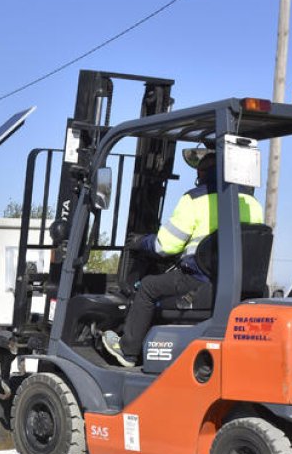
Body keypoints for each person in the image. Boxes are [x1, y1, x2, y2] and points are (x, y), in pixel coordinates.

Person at [101, 146, 263, 367]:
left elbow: (165, 246)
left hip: (200, 280)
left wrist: (141, 241)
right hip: (239, 284)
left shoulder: (195, 200)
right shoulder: (251, 202)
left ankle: (127, 351)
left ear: (202, 175)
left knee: (148, 286)